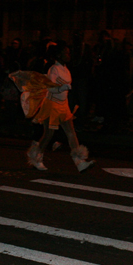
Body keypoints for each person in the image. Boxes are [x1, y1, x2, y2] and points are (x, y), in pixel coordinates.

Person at [26, 41, 95, 172]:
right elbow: (50, 88)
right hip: (52, 104)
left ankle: (79, 162)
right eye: (66, 53)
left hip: (63, 105)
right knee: (48, 134)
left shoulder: (66, 69)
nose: (69, 55)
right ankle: (36, 158)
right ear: (59, 55)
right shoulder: (54, 69)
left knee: (71, 132)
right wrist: (61, 88)